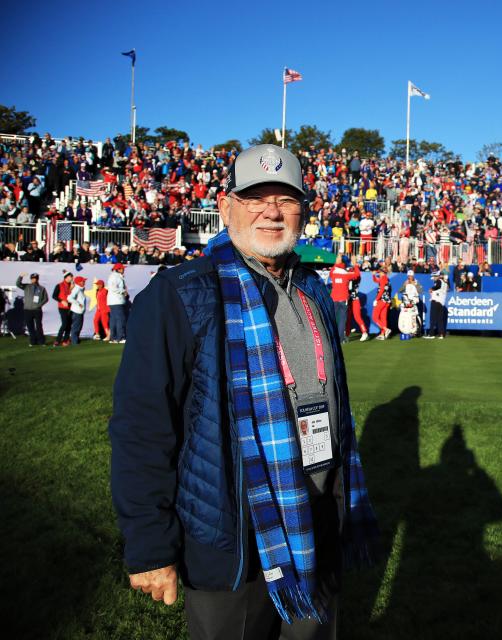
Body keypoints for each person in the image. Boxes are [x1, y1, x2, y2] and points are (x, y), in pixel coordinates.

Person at [109, 144, 379, 640]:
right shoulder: (182, 293)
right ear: (226, 205)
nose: (272, 211)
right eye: (255, 197)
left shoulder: (313, 288)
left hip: (314, 519)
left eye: (286, 198)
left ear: (305, 208)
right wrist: (149, 543)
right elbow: (142, 426)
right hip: (233, 532)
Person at [16, 272, 48, 346]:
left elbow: (46, 299)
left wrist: (39, 305)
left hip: (37, 310)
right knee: (30, 327)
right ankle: (32, 341)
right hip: (27, 310)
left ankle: (41, 341)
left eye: (35, 278)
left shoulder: (42, 288)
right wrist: (20, 276)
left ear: (37, 279)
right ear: (30, 279)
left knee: (39, 326)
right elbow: (18, 284)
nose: (33, 280)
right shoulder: (27, 286)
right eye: (32, 278)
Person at [107, 263, 128, 343]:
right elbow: (113, 288)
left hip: (114, 301)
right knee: (120, 319)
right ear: (118, 269)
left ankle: (114, 338)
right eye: (122, 268)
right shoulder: (115, 277)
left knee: (114, 320)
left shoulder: (115, 276)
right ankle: (121, 337)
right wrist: (123, 291)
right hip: (117, 301)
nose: (124, 270)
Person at [424, 272, 449, 340]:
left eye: (435, 276)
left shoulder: (439, 281)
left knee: (432, 318)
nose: (434, 278)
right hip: (441, 303)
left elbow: (438, 286)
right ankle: (441, 334)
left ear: (437, 276)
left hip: (435, 301)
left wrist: (432, 288)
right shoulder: (445, 284)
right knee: (440, 319)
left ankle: (431, 334)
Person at [52, 272, 74, 346]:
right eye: (70, 277)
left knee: (69, 324)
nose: (72, 278)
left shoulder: (72, 285)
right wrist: (62, 301)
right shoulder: (59, 285)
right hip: (62, 307)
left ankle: (66, 340)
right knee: (64, 323)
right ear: (66, 277)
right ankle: (58, 340)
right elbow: (54, 296)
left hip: (71, 307)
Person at [371, 265, 392, 340]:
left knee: (374, 317)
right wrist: (373, 275)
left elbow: (382, 290)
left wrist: (376, 299)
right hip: (387, 301)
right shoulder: (386, 278)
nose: (379, 273)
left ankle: (386, 330)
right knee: (383, 318)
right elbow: (376, 280)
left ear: (383, 272)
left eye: (380, 272)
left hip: (382, 300)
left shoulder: (383, 278)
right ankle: (382, 334)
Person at [67, 275, 88, 344]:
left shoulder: (80, 289)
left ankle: (75, 340)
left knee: (78, 327)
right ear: (79, 282)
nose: (84, 282)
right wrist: (78, 303)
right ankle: (74, 342)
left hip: (79, 311)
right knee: (76, 327)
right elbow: (69, 298)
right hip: (76, 311)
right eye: (83, 281)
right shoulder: (77, 289)